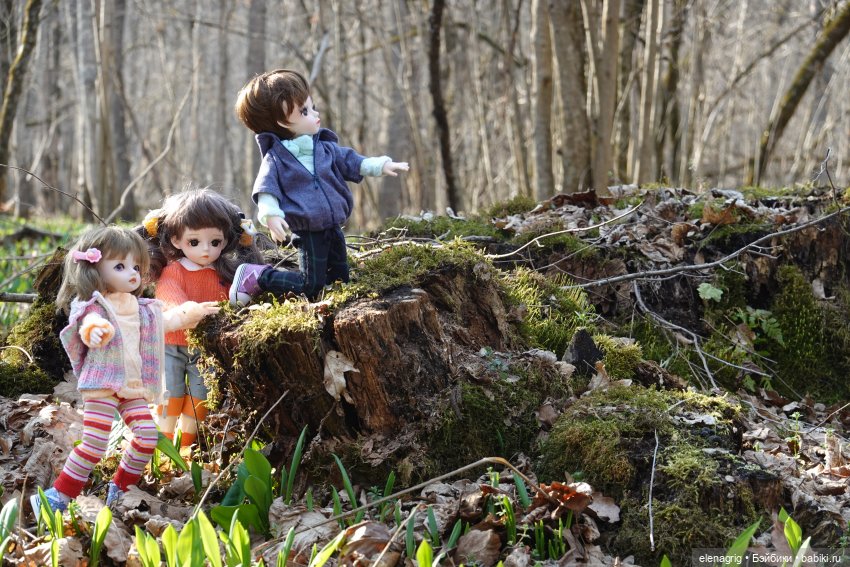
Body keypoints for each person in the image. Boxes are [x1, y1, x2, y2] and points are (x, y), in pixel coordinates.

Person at [30, 226, 220, 514]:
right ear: (93, 269)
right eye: (119, 266)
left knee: (146, 437)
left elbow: (162, 322)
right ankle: (58, 495)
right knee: (94, 444)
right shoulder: (95, 304)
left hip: (132, 387)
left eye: (135, 266)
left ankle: (119, 489)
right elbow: (86, 323)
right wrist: (94, 331)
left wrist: (188, 314)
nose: (131, 273)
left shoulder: (139, 306)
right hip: (103, 385)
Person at [230, 69, 409, 305]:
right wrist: (271, 216)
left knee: (340, 279)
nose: (315, 115)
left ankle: (337, 308)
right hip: (309, 230)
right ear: (281, 122)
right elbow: (266, 190)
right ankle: (257, 277)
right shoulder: (277, 159)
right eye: (304, 111)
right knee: (310, 285)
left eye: (312, 107)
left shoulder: (325, 148)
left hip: (333, 225)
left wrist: (381, 164)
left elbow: (353, 161)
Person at [138, 189, 263, 450]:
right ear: (176, 240)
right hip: (172, 343)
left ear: (226, 240)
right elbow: (169, 297)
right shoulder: (173, 271)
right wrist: (188, 311)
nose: (206, 250)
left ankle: (187, 445)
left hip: (205, 346)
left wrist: (248, 247)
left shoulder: (225, 271)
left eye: (215, 242)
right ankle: (162, 443)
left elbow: (243, 292)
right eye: (194, 242)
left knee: (200, 396)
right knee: (169, 392)